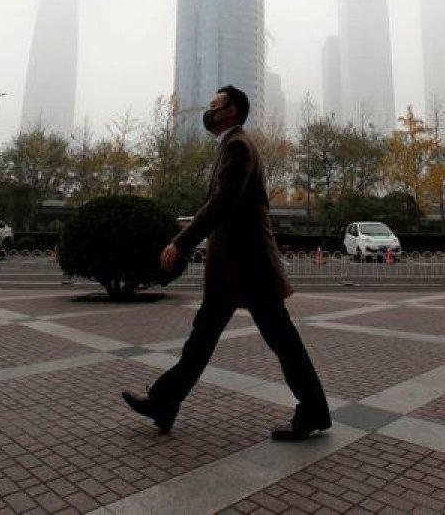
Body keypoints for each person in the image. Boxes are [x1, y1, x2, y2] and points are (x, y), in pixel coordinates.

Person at [122, 85, 331, 441]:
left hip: (250, 267)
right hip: (233, 270)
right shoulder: (232, 146)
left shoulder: (238, 146)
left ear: (231, 112)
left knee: (282, 340)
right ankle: (164, 401)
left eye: (215, 106)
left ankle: (313, 410)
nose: (209, 111)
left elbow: (222, 203)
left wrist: (181, 241)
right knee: (202, 340)